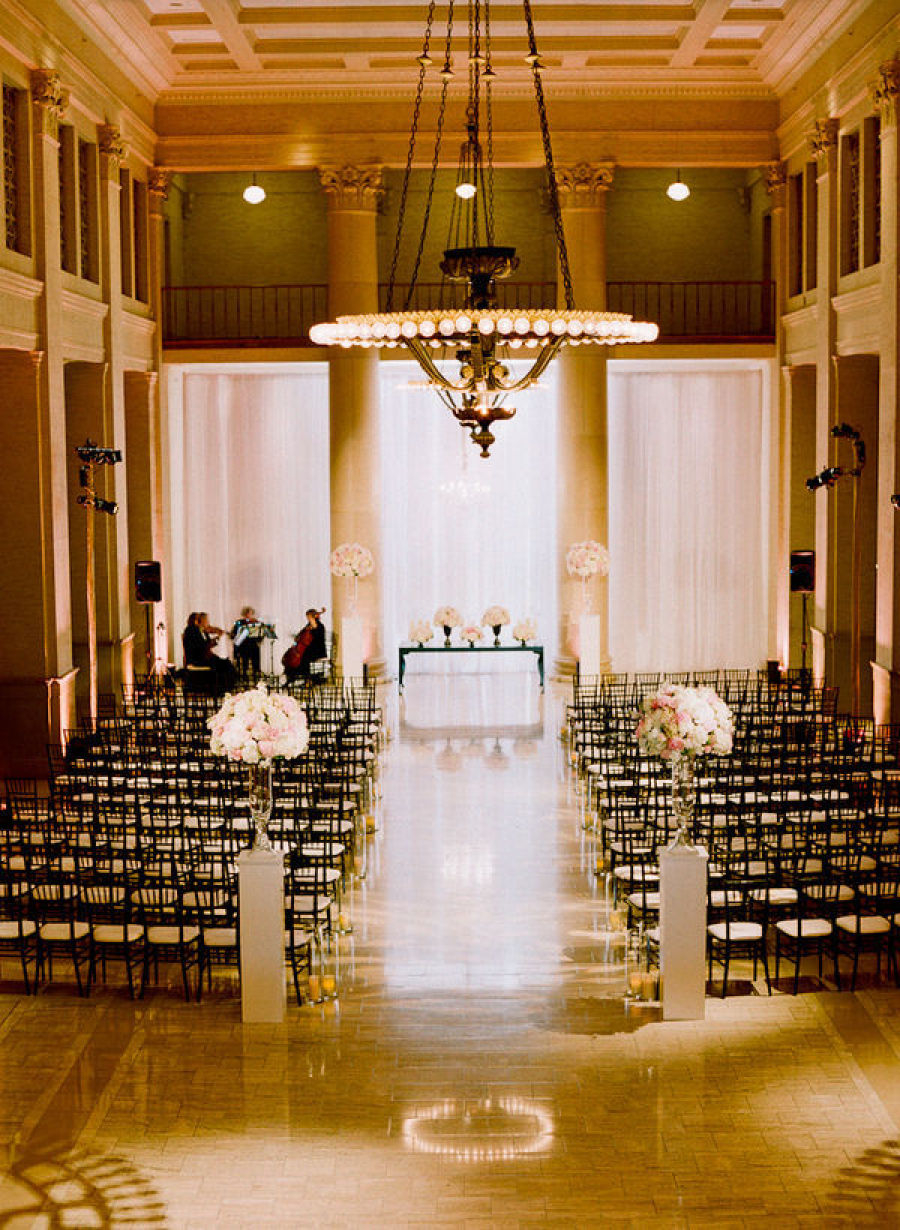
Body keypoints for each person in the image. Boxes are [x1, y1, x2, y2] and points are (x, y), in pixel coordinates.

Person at [183, 611, 236, 689]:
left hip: (204, 657)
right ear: (197, 621)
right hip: (197, 659)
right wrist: (216, 638)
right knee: (225, 665)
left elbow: (207, 644)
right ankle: (221, 688)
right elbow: (202, 647)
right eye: (206, 621)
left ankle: (225, 687)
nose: (208, 623)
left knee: (227, 663)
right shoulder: (191, 631)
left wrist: (217, 638)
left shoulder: (201, 631)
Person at [282, 608, 327, 683]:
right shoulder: (309, 625)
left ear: (313, 617)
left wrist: (312, 620)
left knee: (304, 658)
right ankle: (290, 677)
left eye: (309, 617)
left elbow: (316, 638)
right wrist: (297, 637)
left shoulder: (319, 626)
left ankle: (306, 679)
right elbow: (301, 635)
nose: (308, 619)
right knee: (295, 657)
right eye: (307, 618)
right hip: (308, 649)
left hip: (318, 651)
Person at [231, 605, 261, 681]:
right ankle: (244, 674)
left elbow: (260, 635)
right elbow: (233, 634)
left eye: (250, 613)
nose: (249, 615)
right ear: (244, 614)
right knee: (245, 652)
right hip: (243, 645)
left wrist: (259, 637)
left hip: (253, 644)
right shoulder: (239, 623)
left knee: (256, 650)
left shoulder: (256, 622)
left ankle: (256, 673)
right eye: (247, 614)